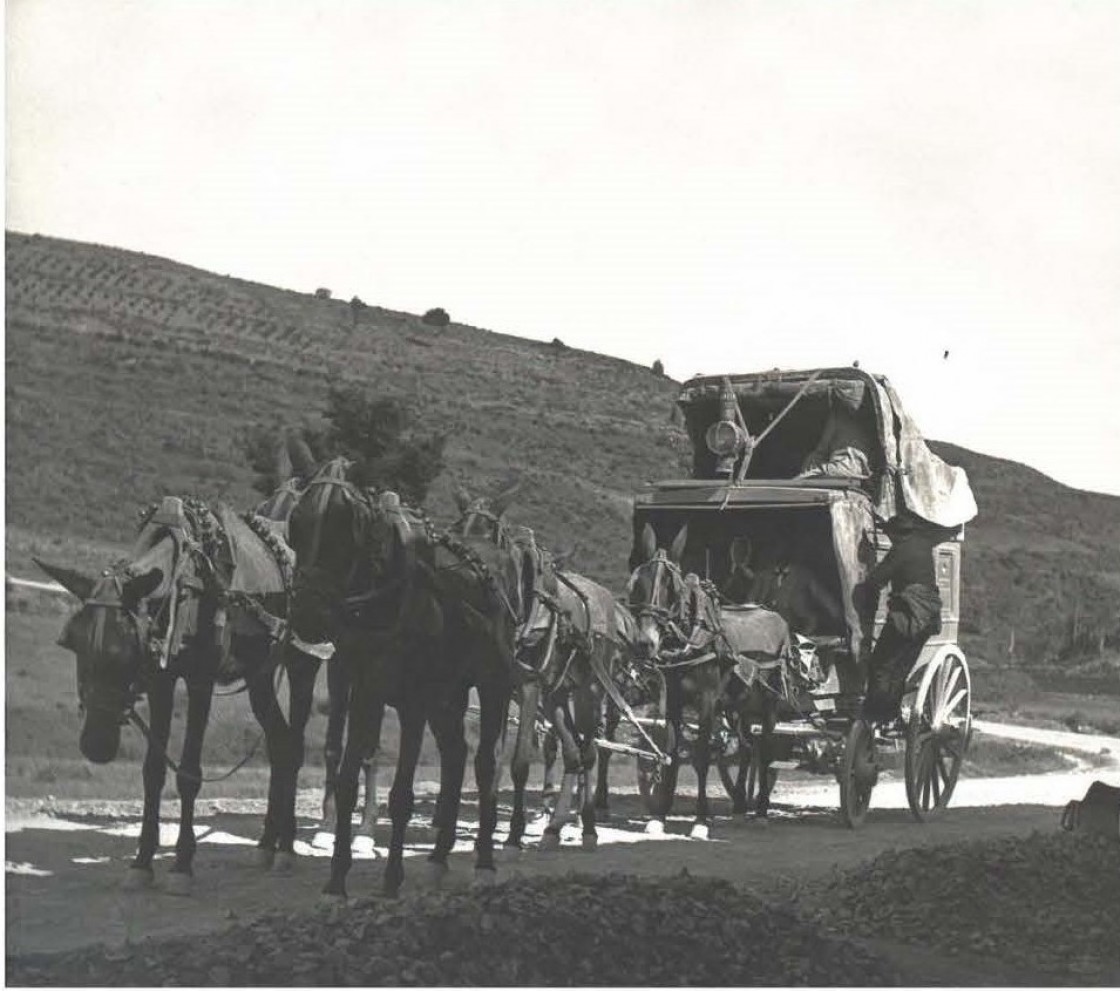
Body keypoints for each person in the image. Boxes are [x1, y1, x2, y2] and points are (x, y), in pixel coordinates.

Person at [857, 512, 945, 723]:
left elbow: (875, 581)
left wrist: (863, 600)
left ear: (897, 534)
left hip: (908, 617)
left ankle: (874, 715)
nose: (890, 539)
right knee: (901, 668)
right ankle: (890, 715)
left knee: (880, 665)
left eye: (890, 535)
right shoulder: (923, 546)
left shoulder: (901, 550)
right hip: (928, 619)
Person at [797, 398, 874, 479]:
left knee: (803, 476)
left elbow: (823, 446)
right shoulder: (868, 416)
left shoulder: (838, 415)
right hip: (862, 471)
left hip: (841, 467)